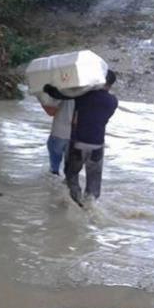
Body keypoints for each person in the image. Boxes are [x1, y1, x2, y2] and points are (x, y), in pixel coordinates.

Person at [43, 70, 118, 208]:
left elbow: (62, 95)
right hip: (98, 145)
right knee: (94, 178)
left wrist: (48, 89)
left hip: (78, 143)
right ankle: (91, 205)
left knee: (71, 174)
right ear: (111, 84)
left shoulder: (84, 95)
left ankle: (75, 202)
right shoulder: (113, 101)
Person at [41, 99, 74, 175]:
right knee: (70, 171)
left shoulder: (61, 94)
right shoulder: (85, 94)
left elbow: (51, 112)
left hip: (59, 133)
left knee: (54, 170)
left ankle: (52, 182)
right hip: (75, 135)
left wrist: (41, 99)